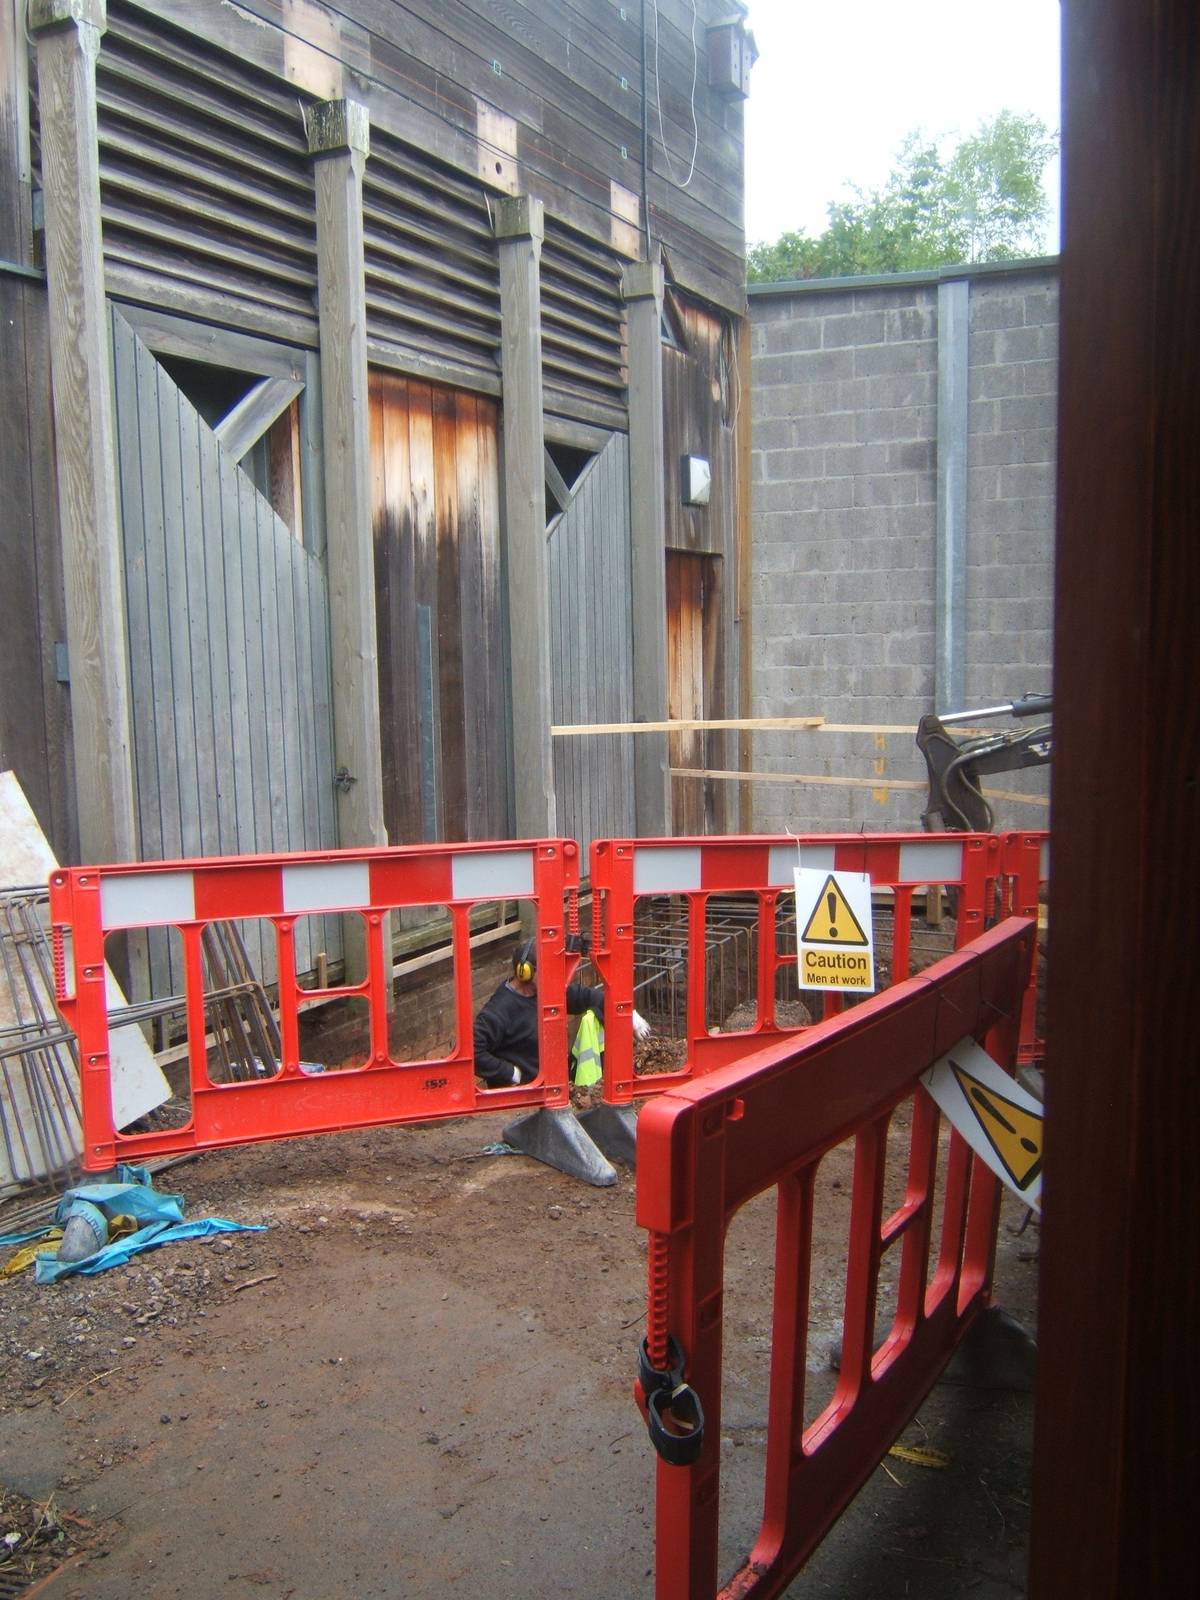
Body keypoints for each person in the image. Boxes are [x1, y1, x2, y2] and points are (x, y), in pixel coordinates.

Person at [472, 937, 648, 1088]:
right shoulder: (498, 1011)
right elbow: (473, 1052)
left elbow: (587, 997)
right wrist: (511, 1073)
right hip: (519, 1100)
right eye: (548, 971)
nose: (554, 977)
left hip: (552, 1090)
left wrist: (628, 1013)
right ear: (525, 972)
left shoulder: (545, 991)